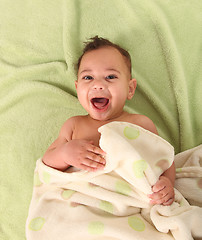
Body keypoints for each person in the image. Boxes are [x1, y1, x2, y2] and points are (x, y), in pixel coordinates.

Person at [42, 36, 175, 206]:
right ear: (77, 89)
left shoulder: (140, 124)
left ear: (130, 89)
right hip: (85, 202)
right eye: (88, 78)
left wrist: (167, 183)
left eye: (110, 77)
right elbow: (47, 162)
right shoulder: (74, 126)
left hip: (130, 202)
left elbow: (165, 159)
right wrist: (65, 153)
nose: (98, 85)